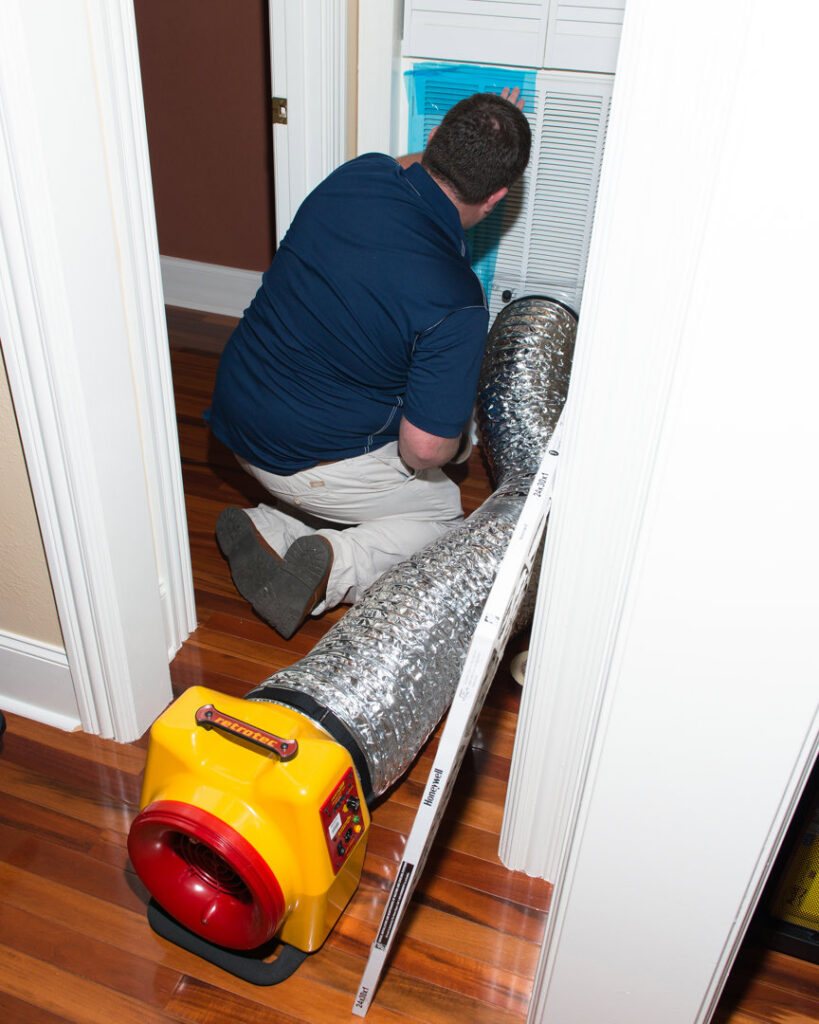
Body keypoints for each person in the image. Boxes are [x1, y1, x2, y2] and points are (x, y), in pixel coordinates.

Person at [205, 89, 531, 639]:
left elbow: (411, 166)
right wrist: (458, 439)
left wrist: (472, 130)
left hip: (234, 414)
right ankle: (334, 562)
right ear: (497, 197)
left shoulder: (356, 177)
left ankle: (271, 526)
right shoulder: (457, 300)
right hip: (302, 456)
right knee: (444, 510)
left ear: (431, 141)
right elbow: (422, 450)